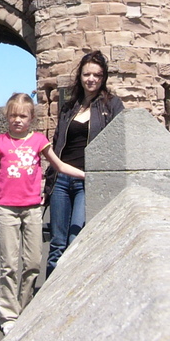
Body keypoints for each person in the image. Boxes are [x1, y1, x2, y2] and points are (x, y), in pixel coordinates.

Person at [0, 93, 84, 335]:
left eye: (23, 115)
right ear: (7, 116)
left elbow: (58, 165)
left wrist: (86, 175)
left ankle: (25, 308)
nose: (17, 119)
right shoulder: (0, 143)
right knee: (9, 265)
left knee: (33, 263)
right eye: (13, 115)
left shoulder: (38, 141)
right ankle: (8, 315)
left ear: (31, 118)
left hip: (32, 210)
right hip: (6, 209)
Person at [46, 50, 124, 278]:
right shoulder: (69, 107)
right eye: (87, 74)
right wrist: (48, 183)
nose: (91, 79)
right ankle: (48, 300)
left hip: (87, 180)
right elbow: (56, 144)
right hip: (61, 180)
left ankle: (72, 296)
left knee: (76, 238)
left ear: (103, 77)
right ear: (80, 75)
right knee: (57, 244)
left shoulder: (112, 106)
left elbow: (121, 141)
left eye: (97, 75)